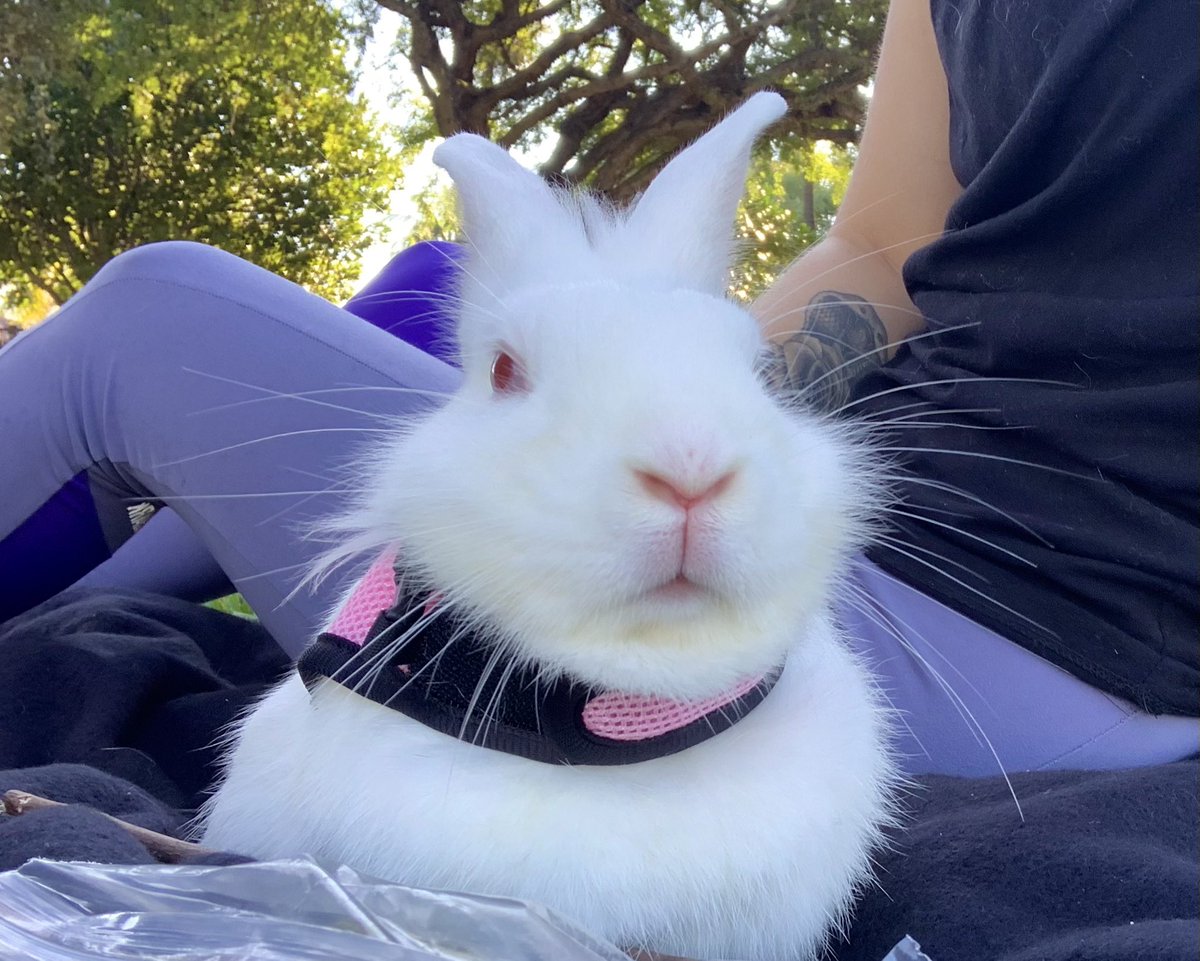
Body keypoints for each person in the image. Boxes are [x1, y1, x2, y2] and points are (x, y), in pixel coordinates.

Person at [0, 0, 1195, 777]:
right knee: (443, 287)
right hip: (918, 558)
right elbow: (878, 252)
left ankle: (80, 586)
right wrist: (669, 378)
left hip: (1010, 625)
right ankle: (75, 608)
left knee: (151, 325)